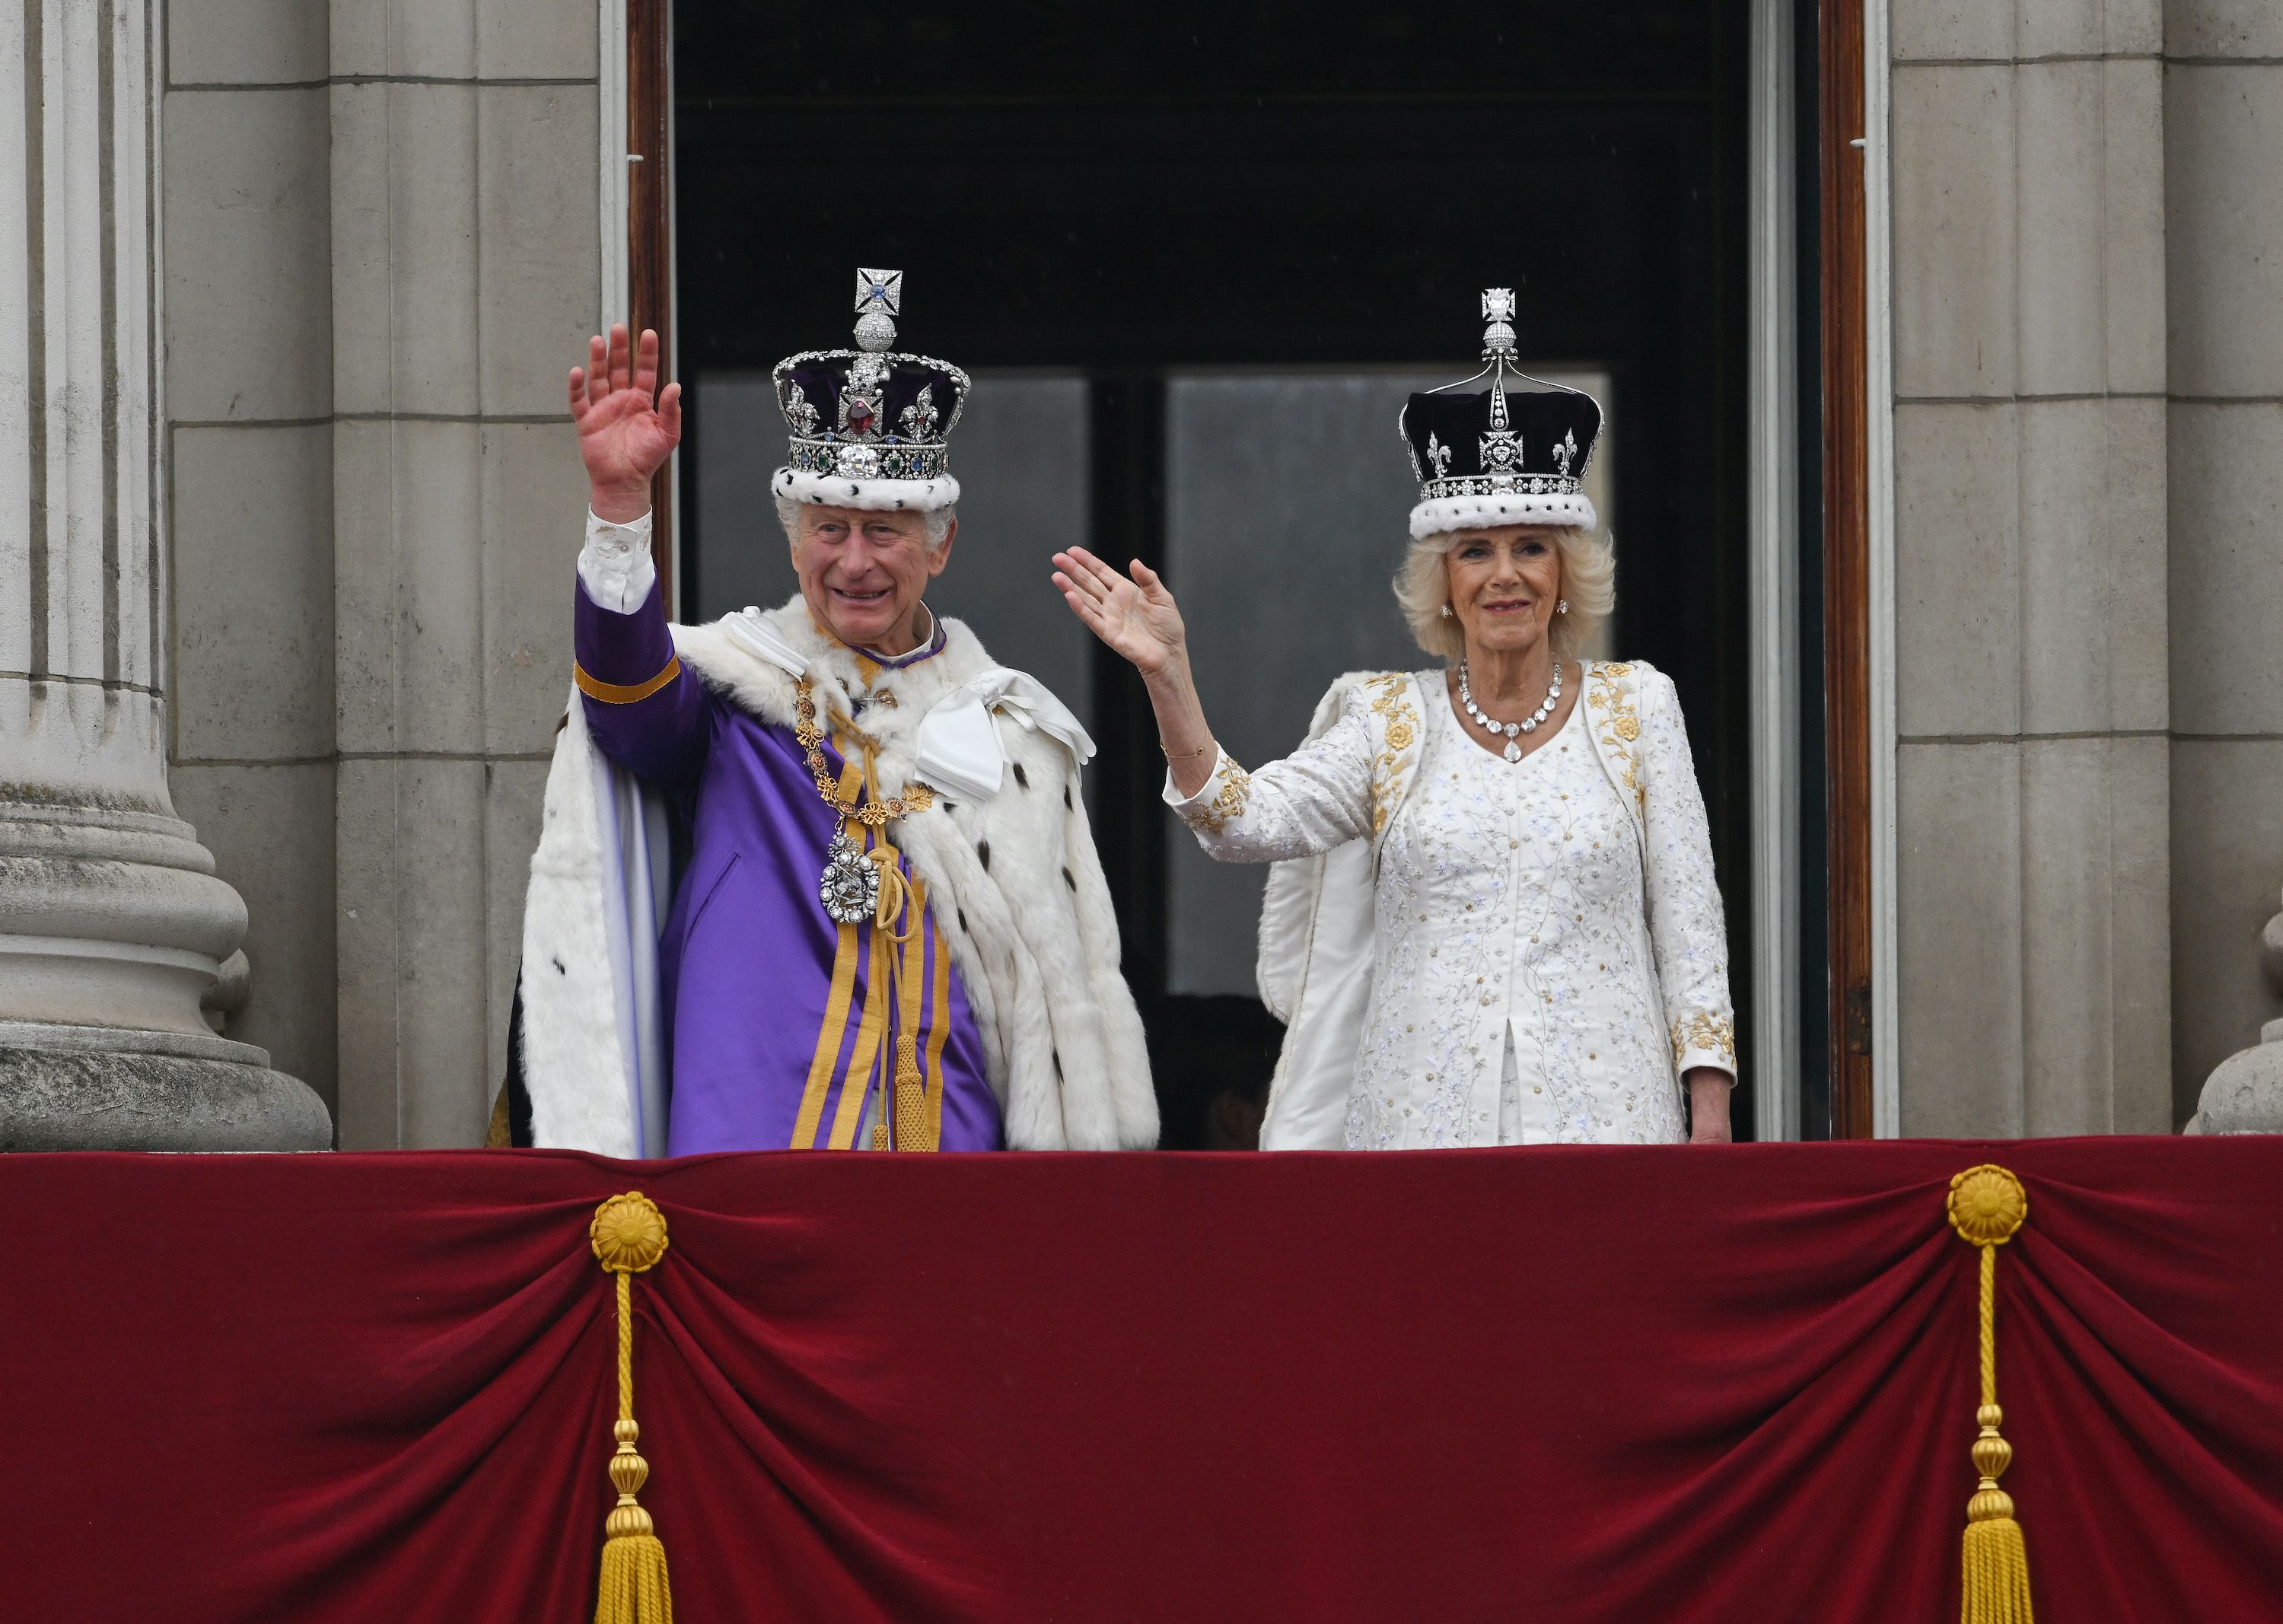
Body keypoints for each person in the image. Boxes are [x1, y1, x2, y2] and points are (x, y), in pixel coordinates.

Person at [1055, 288, 1735, 1150]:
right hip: (1420, 1133)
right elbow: (1239, 823)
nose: (1506, 576)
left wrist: (1707, 1111)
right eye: (1476, 552)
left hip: (1611, 1124)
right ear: (1442, 579)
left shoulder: (1638, 706)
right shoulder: (1386, 721)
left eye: (1531, 547)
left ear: (1565, 571)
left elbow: (1689, 921)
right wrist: (1168, 674)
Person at [508, 269, 1155, 1154]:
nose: (855, 561)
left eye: (884, 529)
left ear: (941, 545)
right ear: (793, 536)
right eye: (829, 528)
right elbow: (627, 704)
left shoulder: (1011, 736)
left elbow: (1047, 996)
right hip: (752, 1143)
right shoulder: (738, 696)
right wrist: (621, 511)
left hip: (949, 1145)